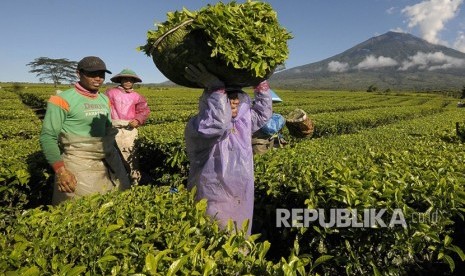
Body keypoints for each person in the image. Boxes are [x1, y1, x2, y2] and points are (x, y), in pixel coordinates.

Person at [184, 63, 272, 236]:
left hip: (240, 191)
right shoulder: (198, 126)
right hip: (213, 192)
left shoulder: (243, 122)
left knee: (238, 235)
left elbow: (263, 115)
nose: (234, 101)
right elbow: (218, 123)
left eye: (237, 96)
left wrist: (261, 86)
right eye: (228, 96)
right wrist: (216, 88)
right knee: (214, 235)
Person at [39, 56, 130, 205]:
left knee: (115, 205)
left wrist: (121, 161)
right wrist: (61, 171)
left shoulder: (104, 100)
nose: (98, 78)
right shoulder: (62, 100)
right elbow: (47, 137)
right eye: (92, 74)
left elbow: (108, 134)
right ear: (78, 73)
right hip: (79, 163)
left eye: (101, 74)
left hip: (108, 159)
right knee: (82, 209)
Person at [105, 69, 150, 184]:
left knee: (131, 156)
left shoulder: (137, 96)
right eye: (125, 79)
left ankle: (133, 180)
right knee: (113, 156)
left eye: (131, 80)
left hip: (129, 130)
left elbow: (143, 111)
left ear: (134, 82)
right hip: (114, 127)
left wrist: (138, 120)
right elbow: (103, 108)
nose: (128, 82)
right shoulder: (110, 93)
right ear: (120, 80)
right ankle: (115, 182)